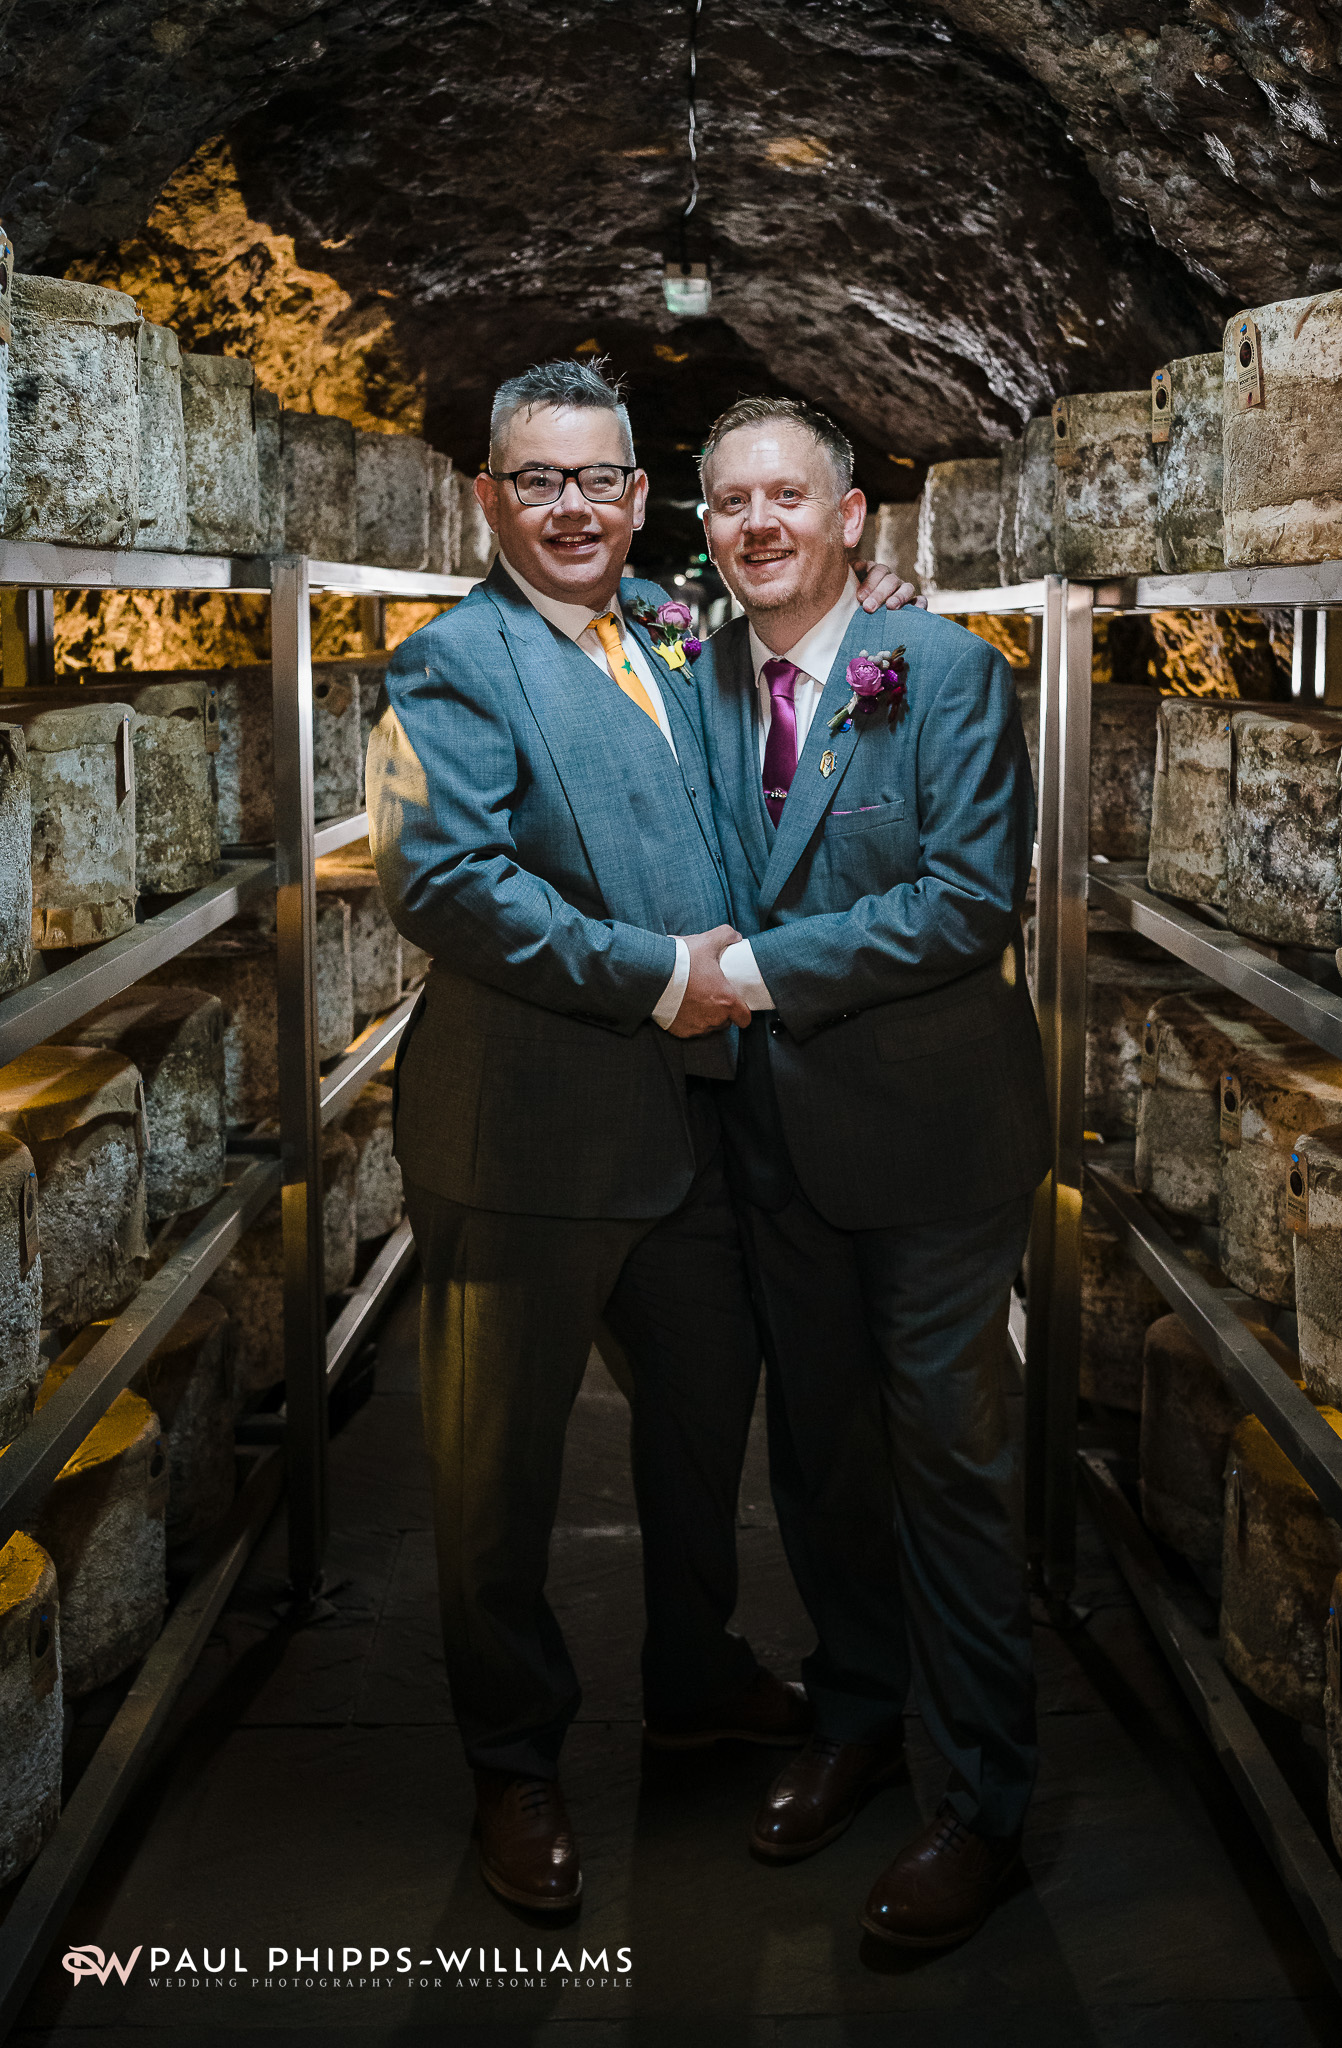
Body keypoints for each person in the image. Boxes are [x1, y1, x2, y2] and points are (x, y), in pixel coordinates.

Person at [367, 359, 909, 1915]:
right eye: (536, 480)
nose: (572, 508)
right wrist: (659, 975)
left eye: (599, 479)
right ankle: (515, 1761)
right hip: (522, 1144)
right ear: (488, 498)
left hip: (690, 1134)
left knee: (697, 1432)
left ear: (635, 495)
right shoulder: (452, 663)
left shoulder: (664, 634)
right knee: (495, 1476)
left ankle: (694, 1672)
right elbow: (449, 885)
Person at [693, 395, 1050, 1950]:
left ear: (853, 522)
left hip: (928, 1141)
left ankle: (980, 1805)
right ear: (697, 527)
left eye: (786, 498)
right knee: (822, 1457)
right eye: (725, 503)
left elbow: (965, 900)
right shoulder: (691, 672)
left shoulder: (953, 674)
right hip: (773, 1139)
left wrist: (752, 969)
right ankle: (854, 1714)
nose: (756, 523)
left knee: (952, 1469)